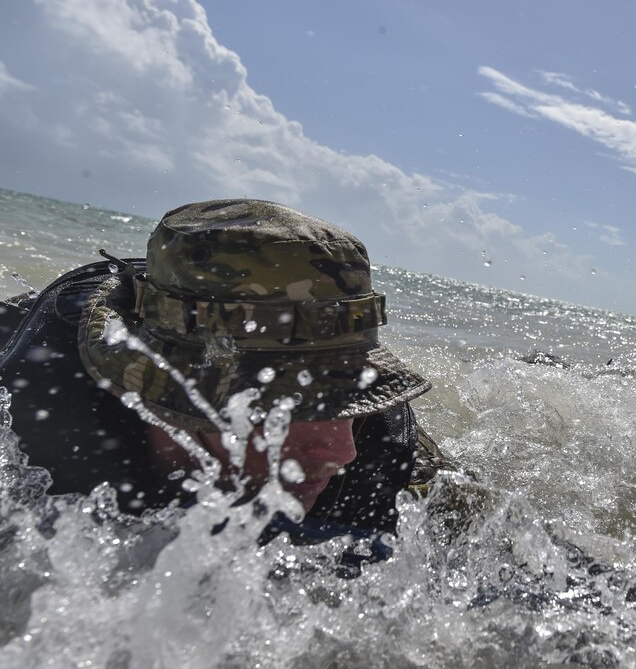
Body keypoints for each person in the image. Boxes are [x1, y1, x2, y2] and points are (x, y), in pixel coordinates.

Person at [0, 198, 451, 542]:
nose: (339, 450)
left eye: (347, 401)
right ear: (170, 399)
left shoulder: (379, 439)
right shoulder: (32, 423)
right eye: (295, 406)